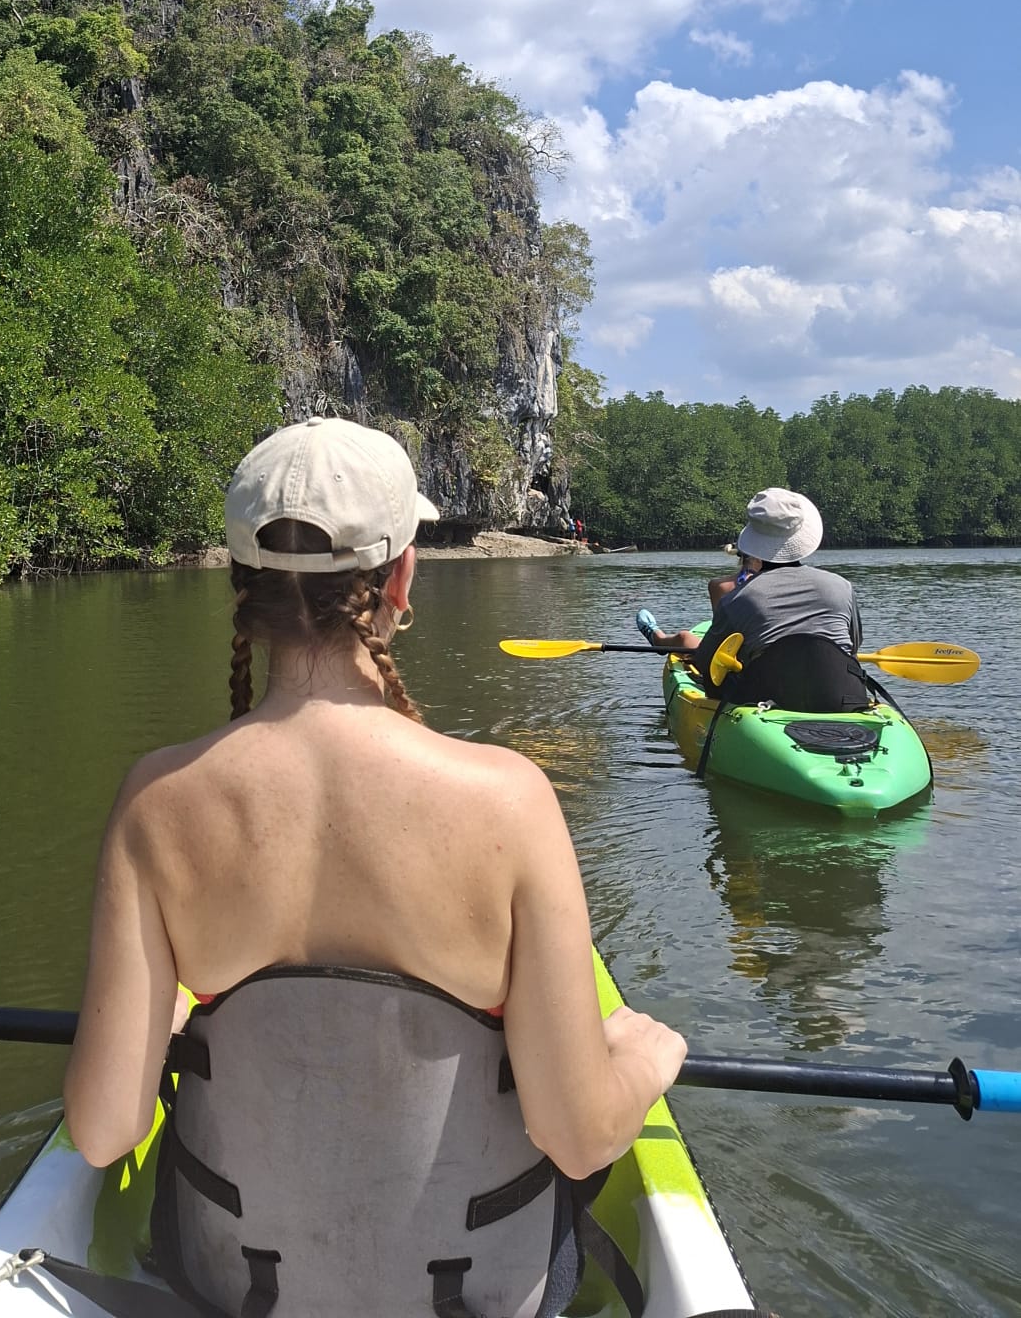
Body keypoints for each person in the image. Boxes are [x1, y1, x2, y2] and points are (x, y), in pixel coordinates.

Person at [63, 416, 685, 1318]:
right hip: (476, 1292)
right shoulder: (508, 801)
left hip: (236, 1289)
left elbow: (103, 1128)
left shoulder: (157, 803)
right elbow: (581, 1135)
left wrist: (160, 1011)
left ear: (242, 588)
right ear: (401, 577)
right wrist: (642, 1056)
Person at [637, 488, 867, 712]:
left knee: (692, 643)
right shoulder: (842, 586)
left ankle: (658, 637)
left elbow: (708, 669)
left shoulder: (736, 599)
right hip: (841, 696)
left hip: (765, 701)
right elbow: (852, 648)